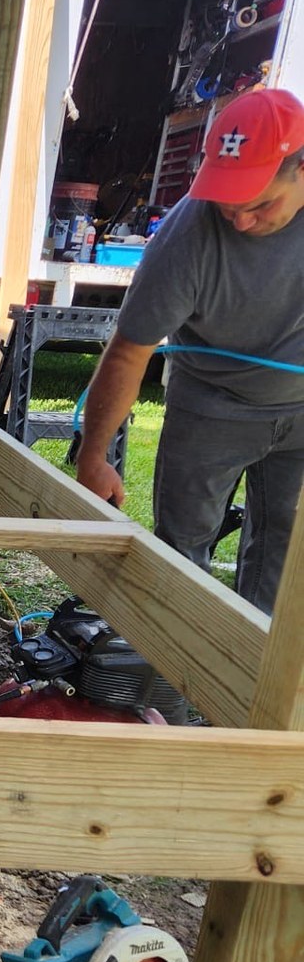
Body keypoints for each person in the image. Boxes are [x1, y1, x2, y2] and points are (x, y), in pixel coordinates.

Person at [75, 88, 304, 613]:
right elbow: (129, 352)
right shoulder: (188, 235)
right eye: (229, 206)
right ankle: (167, 690)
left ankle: (252, 687)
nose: (240, 221)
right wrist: (93, 454)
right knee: (181, 553)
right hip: (212, 402)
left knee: (287, 560)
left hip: (300, 407)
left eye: (260, 205)